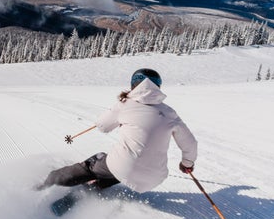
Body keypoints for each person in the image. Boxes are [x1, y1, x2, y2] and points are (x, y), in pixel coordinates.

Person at [37, 68, 198, 193]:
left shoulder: (125, 104)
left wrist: (121, 107)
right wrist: (187, 164)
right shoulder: (170, 113)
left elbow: (103, 126)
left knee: (96, 162)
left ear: (133, 85)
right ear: (158, 86)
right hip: (156, 177)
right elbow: (190, 143)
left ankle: (47, 183)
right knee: (118, 168)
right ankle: (89, 191)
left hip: (125, 167)